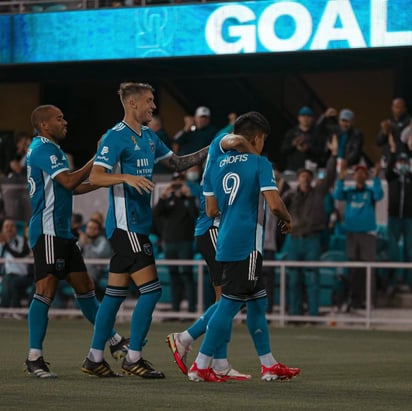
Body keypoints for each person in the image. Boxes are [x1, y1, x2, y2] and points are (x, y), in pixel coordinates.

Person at [81, 82, 209, 379]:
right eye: (149, 101)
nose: (153, 106)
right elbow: (97, 176)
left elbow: (176, 163)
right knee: (152, 291)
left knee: (114, 295)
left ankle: (94, 357)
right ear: (132, 104)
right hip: (126, 227)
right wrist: (126, 177)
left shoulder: (150, 137)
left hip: (135, 227)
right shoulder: (115, 137)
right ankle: (133, 357)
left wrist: (211, 148)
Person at [187, 111, 300, 382]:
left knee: (258, 302)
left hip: (224, 239)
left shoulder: (217, 165)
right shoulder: (260, 163)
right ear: (258, 138)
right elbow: (274, 204)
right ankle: (201, 365)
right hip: (247, 243)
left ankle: (269, 364)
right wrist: (287, 219)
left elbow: (211, 208)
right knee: (228, 304)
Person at [24, 104, 128, 379]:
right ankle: (34, 357)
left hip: (62, 233)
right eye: (59, 118)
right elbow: (69, 182)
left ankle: (114, 339)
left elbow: (72, 187)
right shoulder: (44, 149)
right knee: (45, 290)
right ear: (45, 125)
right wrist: (98, 156)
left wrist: (108, 181)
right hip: (48, 232)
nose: (65, 121)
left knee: (85, 287)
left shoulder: (49, 150)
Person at [166, 126, 263, 381]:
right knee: (228, 299)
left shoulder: (230, 157)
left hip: (216, 228)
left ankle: (218, 362)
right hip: (213, 227)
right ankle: (187, 340)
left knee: (229, 299)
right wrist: (253, 153)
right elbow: (231, 140)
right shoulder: (226, 138)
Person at [281, 135, 338, 317]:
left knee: (312, 277)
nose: (304, 179)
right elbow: (277, 208)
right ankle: (294, 314)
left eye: (307, 176)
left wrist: (334, 155)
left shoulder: (318, 192)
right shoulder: (291, 195)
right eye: (301, 176)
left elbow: (330, 176)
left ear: (311, 179)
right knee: (293, 278)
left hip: (312, 238)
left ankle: (313, 314)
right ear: (298, 179)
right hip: (295, 239)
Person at [333, 162, 384, 310]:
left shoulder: (370, 192)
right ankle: (355, 300)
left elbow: (379, 195)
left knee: (369, 268)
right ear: (354, 176)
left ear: (366, 176)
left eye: (363, 172)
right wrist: (341, 180)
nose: (360, 175)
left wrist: (376, 178)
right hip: (351, 234)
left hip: (367, 234)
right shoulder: (349, 192)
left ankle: (370, 300)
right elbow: (337, 195)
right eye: (357, 172)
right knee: (354, 269)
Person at [153, 173, 198, 313]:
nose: (177, 183)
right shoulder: (168, 200)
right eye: (175, 181)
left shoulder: (189, 199)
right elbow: (155, 214)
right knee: (173, 276)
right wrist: (163, 196)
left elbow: (195, 215)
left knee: (186, 274)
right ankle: (175, 309)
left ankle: (191, 309)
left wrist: (189, 196)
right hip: (170, 242)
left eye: (180, 181)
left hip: (185, 242)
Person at [384, 134, 412, 293]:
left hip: (409, 219)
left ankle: (409, 282)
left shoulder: (411, 177)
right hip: (394, 218)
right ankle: (392, 282)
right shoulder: (391, 177)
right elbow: (388, 167)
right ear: (396, 164)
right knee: (392, 251)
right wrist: (393, 152)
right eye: (400, 162)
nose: (403, 165)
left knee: (410, 251)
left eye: (405, 162)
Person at [0, 218, 32, 308]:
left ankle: (4, 309)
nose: (9, 229)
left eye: (12, 226)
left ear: (16, 229)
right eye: (6, 227)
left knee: (8, 280)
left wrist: (5, 245)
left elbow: (19, 255)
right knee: (6, 279)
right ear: (2, 230)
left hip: (19, 273)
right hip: (3, 274)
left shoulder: (22, 241)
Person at [280, 106, 323, 172]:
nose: (305, 118)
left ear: (312, 118)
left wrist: (308, 149)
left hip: (310, 170)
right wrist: (293, 144)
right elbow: (283, 150)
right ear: (299, 118)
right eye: (303, 116)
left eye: (308, 116)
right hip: (292, 169)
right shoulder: (292, 132)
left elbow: (321, 152)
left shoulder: (316, 133)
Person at [78, 218, 112, 300]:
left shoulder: (103, 241)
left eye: (94, 228)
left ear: (99, 230)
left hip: (97, 274)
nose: (91, 230)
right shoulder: (82, 240)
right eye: (89, 228)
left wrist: (87, 244)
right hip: (80, 273)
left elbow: (97, 257)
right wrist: (81, 244)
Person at [376, 97, 411, 164]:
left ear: (405, 109)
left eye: (401, 107)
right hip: (388, 157)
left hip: (403, 159)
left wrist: (393, 129)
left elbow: (403, 139)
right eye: (396, 107)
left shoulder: (409, 122)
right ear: (392, 108)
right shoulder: (388, 122)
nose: (398, 110)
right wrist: (384, 131)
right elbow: (378, 142)